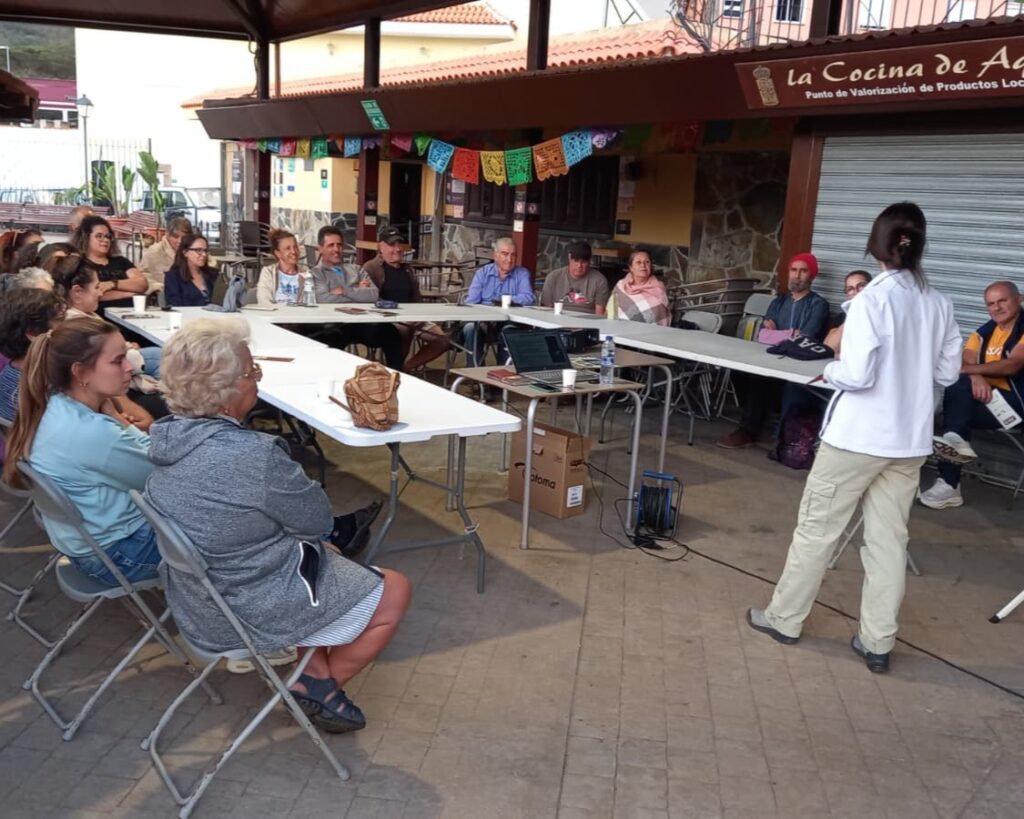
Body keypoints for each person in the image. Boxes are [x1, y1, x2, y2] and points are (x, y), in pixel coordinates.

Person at [145, 318, 410, 732]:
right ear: (227, 391)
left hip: (198, 600)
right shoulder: (254, 456)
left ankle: (315, 677)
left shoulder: (164, 440)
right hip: (247, 604)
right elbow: (319, 519)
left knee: (320, 557)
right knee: (393, 589)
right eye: (253, 372)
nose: (257, 380)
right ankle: (315, 686)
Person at [746, 203, 962, 674]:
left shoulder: (871, 301)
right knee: (888, 543)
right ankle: (877, 641)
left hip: (857, 439)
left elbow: (858, 375)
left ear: (876, 245)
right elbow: (947, 372)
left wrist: (827, 368)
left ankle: (784, 618)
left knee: (817, 532)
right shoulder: (939, 303)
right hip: (908, 442)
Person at [2, 317, 163, 588]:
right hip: (119, 555)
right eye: (117, 360)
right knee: (228, 529)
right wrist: (123, 423)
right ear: (80, 372)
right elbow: (161, 475)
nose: (129, 367)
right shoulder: (93, 433)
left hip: (87, 544)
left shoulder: (53, 404)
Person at [921, 280, 1024, 509]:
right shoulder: (984, 332)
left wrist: (969, 371)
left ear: (1020, 299)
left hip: (1016, 405)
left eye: (1002, 301)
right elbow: (965, 358)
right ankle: (952, 456)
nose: (996, 308)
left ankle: (949, 483)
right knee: (957, 414)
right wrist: (975, 376)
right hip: (986, 401)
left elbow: (1013, 365)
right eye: (990, 304)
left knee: (956, 411)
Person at [717, 253, 831, 449]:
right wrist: (790, 334)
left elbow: (806, 338)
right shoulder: (778, 302)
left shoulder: (818, 304)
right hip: (772, 357)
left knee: (761, 381)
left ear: (811, 275)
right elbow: (763, 336)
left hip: (801, 363)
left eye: (803, 271)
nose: (797, 275)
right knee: (741, 372)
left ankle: (749, 430)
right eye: (794, 270)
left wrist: (779, 334)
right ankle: (753, 423)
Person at [307, 226, 404, 370]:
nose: (336, 249)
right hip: (332, 323)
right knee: (329, 336)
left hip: (361, 322)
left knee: (391, 333)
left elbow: (373, 295)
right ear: (320, 249)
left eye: (339, 245)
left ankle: (396, 376)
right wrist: (358, 291)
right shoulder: (316, 273)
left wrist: (344, 290)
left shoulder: (356, 269)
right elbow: (323, 298)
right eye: (331, 245)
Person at [361, 226, 448, 373]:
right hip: (388, 318)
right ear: (380, 246)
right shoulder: (371, 267)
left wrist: (420, 313)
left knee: (443, 340)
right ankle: (396, 368)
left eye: (399, 244)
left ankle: (405, 368)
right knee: (405, 329)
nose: (397, 249)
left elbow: (416, 296)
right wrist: (399, 313)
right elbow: (371, 298)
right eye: (392, 245)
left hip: (414, 316)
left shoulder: (407, 268)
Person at [463, 237, 534, 366]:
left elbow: (528, 298)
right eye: (505, 254)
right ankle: (476, 377)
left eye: (513, 255)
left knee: (509, 332)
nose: (509, 259)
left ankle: (501, 377)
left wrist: (507, 300)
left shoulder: (522, 273)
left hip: (509, 321)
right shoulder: (482, 273)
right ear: (495, 255)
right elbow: (471, 302)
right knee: (470, 329)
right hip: (484, 323)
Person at [0, 289, 65, 421]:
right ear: (33, 334)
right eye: (60, 320)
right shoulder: (47, 384)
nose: (67, 326)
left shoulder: (6, 374)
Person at [71, 215, 148, 310]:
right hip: (100, 315)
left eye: (108, 236)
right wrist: (127, 294)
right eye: (99, 236)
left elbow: (142, 284)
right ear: (86, 238)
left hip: (132, 311)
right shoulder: (80, 264)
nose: (105, 240)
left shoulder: (121, 261)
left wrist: (112, 284)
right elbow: (91, 295)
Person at [540, 241, 610, 315]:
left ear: (589, 262)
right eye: (576, 261)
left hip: (587, 323)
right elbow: (546, 310)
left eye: (583, 262)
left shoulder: (599, 281)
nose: (579, 266)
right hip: (557, 320)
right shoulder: (553, 277)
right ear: (569, 258)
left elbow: (599, 314)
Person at [614, 250, 670, 325]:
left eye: (647, 262)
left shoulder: (658, 289)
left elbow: (658, 316)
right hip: (617, 328)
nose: (643, 265)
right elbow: (611, 310)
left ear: (650, 266)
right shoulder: (621, 285)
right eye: (638, 262)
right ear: (631, 267)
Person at [824, 270, 873, 357]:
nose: (856, 292)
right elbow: (829, 347)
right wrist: (852, 315)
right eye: (850, 289)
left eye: (861, 286)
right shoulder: (842, 317)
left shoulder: (881, 315)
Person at [139, 217, 193, 292]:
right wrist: (157, 287)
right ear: (167, 234)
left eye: (184, 237)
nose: (180, 241)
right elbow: (142, 275)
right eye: (175, 237)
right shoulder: (154, 251)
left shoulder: (195, 250)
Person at [163, 233, 218, 307]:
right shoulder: (173, 277)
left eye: (205, 250)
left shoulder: (213, 274)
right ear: (185, 253)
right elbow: (174, 306)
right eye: (198, 250)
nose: (204, 254)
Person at [257, 229, 307, 306]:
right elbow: (264, 300)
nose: (293, 251)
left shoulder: (306, 273)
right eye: (288, 248)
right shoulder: (268, 272)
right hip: (275, 315)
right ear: (278, 253)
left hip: (298, 316)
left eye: (295, 247)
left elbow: (308, 301)